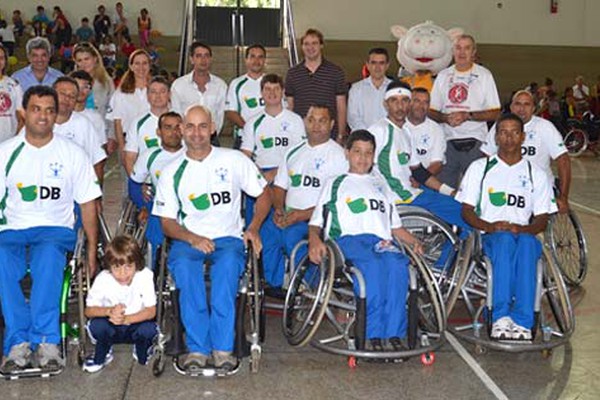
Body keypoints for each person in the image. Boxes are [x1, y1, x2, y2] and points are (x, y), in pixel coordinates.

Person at [152, 105, 270, 371]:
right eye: (191, 126)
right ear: (182, 129)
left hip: (228, 238)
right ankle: (197, 348)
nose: (197, 133)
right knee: (183, 269)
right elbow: (167, 223)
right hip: (187, 239)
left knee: (227, 273)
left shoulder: (234, 160)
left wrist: (253, 227)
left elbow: (264, 194)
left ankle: (223, 348)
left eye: (203, 126)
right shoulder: (171, 171)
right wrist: (192, 238)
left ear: (213, 128)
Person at [0, 85, 101, 373]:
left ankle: (46, 341)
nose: (42, 116)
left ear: (56, 115)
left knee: (47, 260)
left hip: (55, 231)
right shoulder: (6, 153)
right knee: (2, 262)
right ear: (24, 112)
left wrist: (92, 249)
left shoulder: (72, 153)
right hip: (12, 231)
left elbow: (87, 204)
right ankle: (17, 342)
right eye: (36, 109)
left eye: (49, 110)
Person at [308, 130, 422, 351]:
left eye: (368, 153)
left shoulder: (380, 186)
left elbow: (394, 226)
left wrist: (413, 240)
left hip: (380, 240)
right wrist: (314, 240)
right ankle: (373, 332)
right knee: (373, 267)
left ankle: (394, 333)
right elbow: (316, 222)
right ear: (347, 153)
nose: (363, 158)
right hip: (348, 240)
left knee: (398, 265)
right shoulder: (335, 182)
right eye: (358, 152)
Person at [456, 113, 553, 340]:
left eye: (514, 132)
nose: (509, 137)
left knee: (529, 245)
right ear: (496, 137)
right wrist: (489, 226)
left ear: (523, 137)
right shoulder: (480, 168)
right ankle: (500, 317)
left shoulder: (536, 173)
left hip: (523, 233)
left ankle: (522, 320)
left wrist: (523, 229)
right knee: (504, 241)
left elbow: (542, 218)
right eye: (503, 132)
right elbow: (466, 210)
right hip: (490, 236)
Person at [368, 81, 470, 238]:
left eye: (404, 100)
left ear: (409, 104)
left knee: (466, 211)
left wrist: (451, 192)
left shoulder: (405, 132)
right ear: (386, 104)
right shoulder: (379, 130)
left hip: (412, 193)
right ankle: (446, 261)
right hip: (399, 199)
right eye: (394, 100)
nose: (399, 106)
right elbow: (363, 167)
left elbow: (419, 172)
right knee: (467, 215)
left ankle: (447, 260)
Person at [266, 104, 348, 288]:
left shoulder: (340, 156)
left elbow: (337, 201)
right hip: (290, 215)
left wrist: (301, 215)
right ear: (304, 122)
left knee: (292, 236)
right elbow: (279, 187)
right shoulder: (293, 152)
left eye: (322, 121)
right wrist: (279, 209)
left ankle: (315, 286)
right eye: (311, 120)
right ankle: (278, 284)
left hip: (318, 221)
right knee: (266, 231)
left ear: (332, 124)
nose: (316, 125)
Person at [429, 34, 501, 188]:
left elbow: (495, 112)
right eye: (458, 47)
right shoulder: (442, 75)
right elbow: (431, 112)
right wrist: (445, 117)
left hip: (475, 143)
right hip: (447, 142)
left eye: (467, 48)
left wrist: (467, 116)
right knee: (445, 192)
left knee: (474, 191)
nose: (462, 52)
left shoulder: (484, 75)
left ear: (474, 52)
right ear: (452, 51)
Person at [482, 90, 570, 213]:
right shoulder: (501, 125)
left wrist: (563, 197)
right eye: (518, 104)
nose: (521, 109)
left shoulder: (545, 127)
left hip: (537, 188)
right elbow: (486, 157)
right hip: (505, 186)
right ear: (511, 107)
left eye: (527, 104)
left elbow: (563, 160)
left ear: (534, 108)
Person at [83, 235, 157, 372]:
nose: (122, 274)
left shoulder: (145, 276)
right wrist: (109, 311)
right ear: (109, 268)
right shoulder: (103, 279)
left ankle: (142, 347)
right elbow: (89, 311)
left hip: (135, 322)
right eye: (116, 268)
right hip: (112, 324)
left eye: (128, 267)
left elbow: (151, 310)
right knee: (97, 326)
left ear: (137, 264)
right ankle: (103, 351)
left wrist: (127, 319)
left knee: (149, 329)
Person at [130, 111, 185, 267]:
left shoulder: (192, 153)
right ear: (159, 132)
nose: (173, 132)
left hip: (188, 207)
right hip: (160, 207)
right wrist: (143, 206)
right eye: (168, 127)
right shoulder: (149, 156)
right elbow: (133, 184)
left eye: (177, 127)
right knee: (154, 228)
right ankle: (153, 269)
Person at [285, 28, 347, 142]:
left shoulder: (336, 72)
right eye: (306, 44)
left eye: (314, 43)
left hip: (329, 135)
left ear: (321, 45)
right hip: (300, 134)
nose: (310, 47)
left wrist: (340, 135)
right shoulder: (293, 73)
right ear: (302, 47)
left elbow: (341, 107)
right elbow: (290, 107)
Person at [52, 77, 107, 183]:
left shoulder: (84, 124)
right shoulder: (38, 121)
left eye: (72, 96)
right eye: (62, 94)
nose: (66, 99)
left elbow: (98, 161)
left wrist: (97, 195)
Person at [171, 41, 227, 140]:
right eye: (199, 56)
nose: (203, 59)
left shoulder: (220, 86)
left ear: (210, 59)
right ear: (191, 59)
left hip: (211, 139)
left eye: (206, 56)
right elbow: (176, 115)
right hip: (185, 140)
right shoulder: (179, 85)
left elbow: (220, 116)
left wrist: (211, 135)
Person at [73, 42, 116, 153]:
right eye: (79, 60)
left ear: (95, 59)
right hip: (75, 133)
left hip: (100, 133)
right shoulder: (70, 82)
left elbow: (113, 110)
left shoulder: (106, 82)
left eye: (86, 59)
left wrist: (112, 136)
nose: (83, 63)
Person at [106, 49, 151, 155]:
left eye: (145, 63)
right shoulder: (121, 92)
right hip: (128, 142)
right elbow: (117, 123)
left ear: (149, 66)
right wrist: (122, 148)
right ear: (130, 66)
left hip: (152, 142)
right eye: (137, 63)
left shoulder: (156, 90)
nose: (141, 67)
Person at [124, 76, 171, 175]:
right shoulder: (137, 123)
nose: (158, 96)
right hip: (146, 181)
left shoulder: (181, 121)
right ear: (147, 96)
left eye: (162, 91)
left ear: (169, 94)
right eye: (153, 92)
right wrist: (137, 183)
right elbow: (130, 157)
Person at [225, 44, 267, 148]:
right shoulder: (236, 84)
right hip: (243, 137)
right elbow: (230, 112)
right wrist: (250, 129)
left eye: (260, 57)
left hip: (268, 136)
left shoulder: (272, 82)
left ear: (264, 60)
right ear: (246, 60)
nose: (256, 61)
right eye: (252, 56)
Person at [405, 87, 447, 181]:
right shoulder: (398, 125)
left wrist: (418, 180)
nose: (421, 106)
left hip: (425, 181)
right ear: (409, 102)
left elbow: (437, 163)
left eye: (425, 102)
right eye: (417, 101)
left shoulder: (436, 129)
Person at [347, 48, 392, 131]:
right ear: (367, 65)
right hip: (363, 138)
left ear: (387, 65)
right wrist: (368, 135)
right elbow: (353, 117)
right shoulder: (356, 89)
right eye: (373, 63)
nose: (377, 67)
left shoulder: (394, 88)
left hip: (389, 138)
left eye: (381, 63)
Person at [70, 70, 108, 151]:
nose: (80, 91)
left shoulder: (95, 117)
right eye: (77, 87)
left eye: (85, 87)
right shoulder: (60, 116)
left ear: (90, 90)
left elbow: (101, 147)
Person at [0, 44, 23, 142]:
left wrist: (15, 139)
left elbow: (22, 117)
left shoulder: (14, 85)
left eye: (1, 58)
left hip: (8, 143)